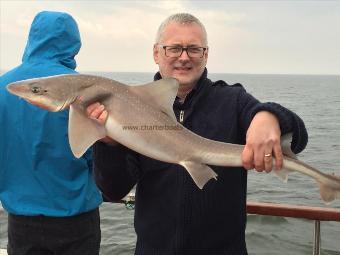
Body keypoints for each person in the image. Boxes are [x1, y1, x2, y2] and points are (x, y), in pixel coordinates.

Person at [87, 13, 308, 255]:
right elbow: (113, 190)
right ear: (156, 53)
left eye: (193, 49)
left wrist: (270, 116)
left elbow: (298, 139)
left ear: (205, 54)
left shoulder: (233, 101)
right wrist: (109, 144)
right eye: (174, 49)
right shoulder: (133, 109)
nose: (184, 57)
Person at [0, 11, 102, 255]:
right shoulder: (85, 90)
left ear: (32, 38)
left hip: (21, 220)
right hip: (77, 217)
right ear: (74, 45)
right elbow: (97, 155)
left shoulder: (5, 87)